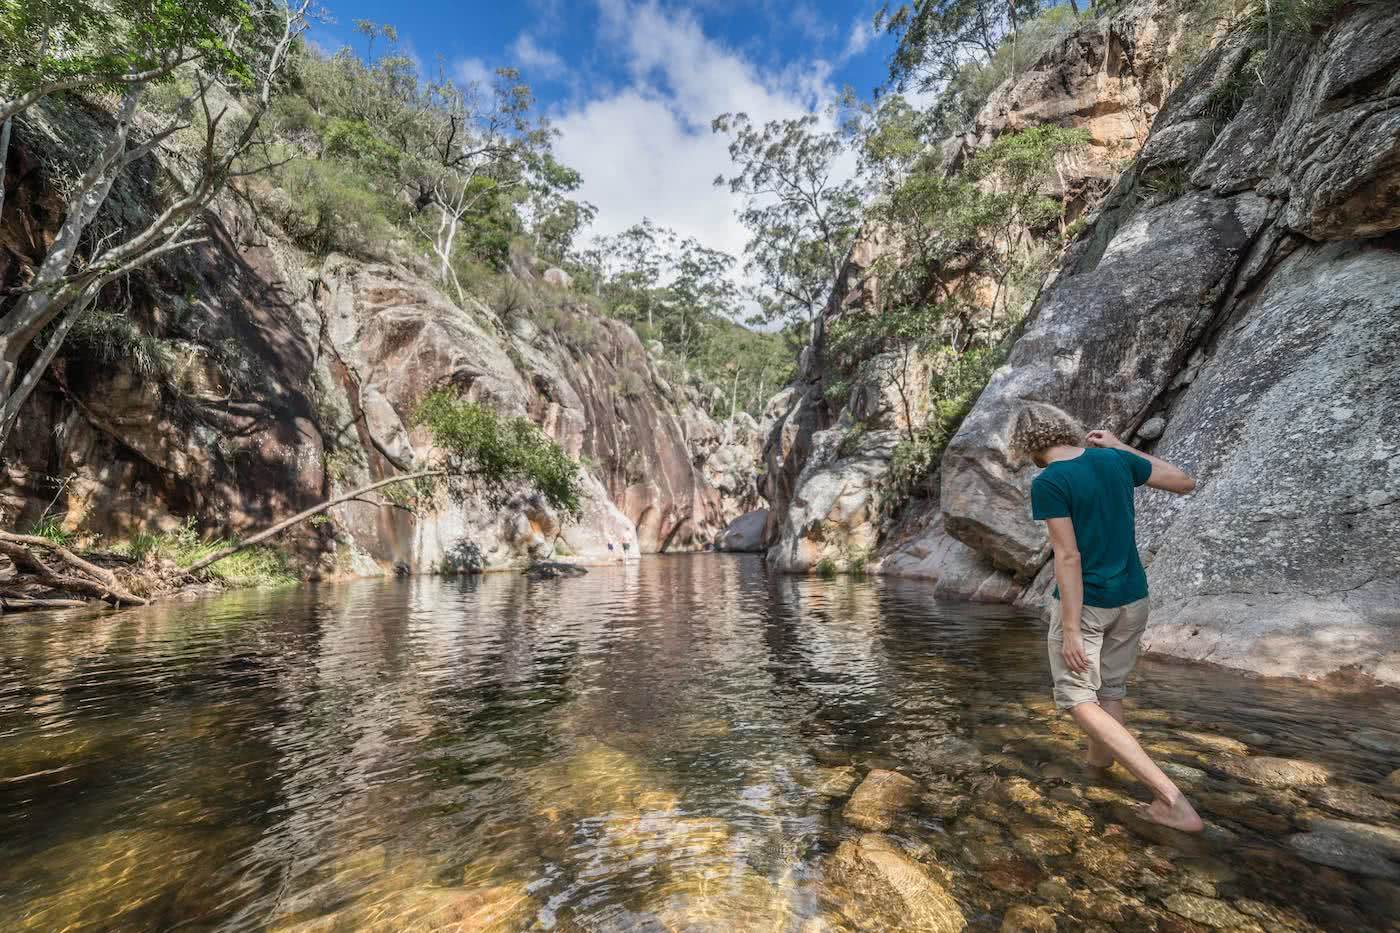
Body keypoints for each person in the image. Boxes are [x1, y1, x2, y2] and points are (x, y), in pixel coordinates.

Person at [1012, 404, 1204, 833]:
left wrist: (1072, 629)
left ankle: (1171, 799)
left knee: (1078, 700)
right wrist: (1122, 446)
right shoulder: (1113, 458)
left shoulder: (1049, 481)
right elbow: (1184, 482)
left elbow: (1068, 555)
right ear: (1066, 428)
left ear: (1026, 448)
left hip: (1091, 603)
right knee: (1109, 690)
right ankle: (1099, 769)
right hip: (1133, 599)